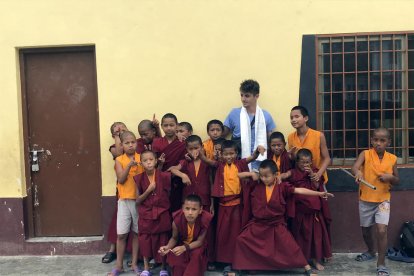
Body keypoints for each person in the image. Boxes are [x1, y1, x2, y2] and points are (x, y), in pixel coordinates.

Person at [234, 160, 333, 276]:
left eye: (267, 176)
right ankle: (240, 267)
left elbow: (299, 190)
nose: (264, 179)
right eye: (261, 176)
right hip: (258, 224)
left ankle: (306, 267)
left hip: (276, 224)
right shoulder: (257, 185)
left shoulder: (282, 187)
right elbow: (238, 175)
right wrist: (252, 174)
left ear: (276, 175)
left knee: (290, 246)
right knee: (241, 239)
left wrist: (319, 194)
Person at [201, 140, 265, 275]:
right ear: (222, 155)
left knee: (236, 234)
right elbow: (208, 161)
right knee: (224, 234)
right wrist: (200, 154)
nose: (229, 157)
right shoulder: (219, 165)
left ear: (236, 153)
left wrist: (257, 151)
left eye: (232, 153)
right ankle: (226, 262)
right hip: (223, 206)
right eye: (226, 154)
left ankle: (238, 261)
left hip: (237, 206)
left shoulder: (240, 163)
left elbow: (252, 158)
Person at [351, 127, 399, 276]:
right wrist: (358, 173)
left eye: (382, 140)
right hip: (365, 199)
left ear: (388, 142)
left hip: (383, 200)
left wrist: (390, 178)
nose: (378, 143)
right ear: (371, 140)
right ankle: (371, 251)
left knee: (381, 230)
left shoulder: (392, 158)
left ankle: (381, 264)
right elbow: (355, 167)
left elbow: (397, 180)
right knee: (366, 231)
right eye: (375, 140)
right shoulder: (365, 154)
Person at [287, 149, 332, 271]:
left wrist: (312, 173)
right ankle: (301, 260)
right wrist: (277, 177)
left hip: (314, 212)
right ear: (296, 162)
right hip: (300, 211)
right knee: (300, 236)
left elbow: (317, 186)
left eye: (307, 162)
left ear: (311, 162)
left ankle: (315, 260)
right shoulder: (293, 173)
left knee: (316, 237)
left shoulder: (315, 172)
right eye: (302, 162)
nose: (305, 165)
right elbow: (285, 176)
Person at [108, 131, 143, 276]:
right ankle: (119, 265)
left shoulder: (142, 158)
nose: (130, 145)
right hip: (124, 201)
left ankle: (134, 263)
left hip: (139, 201)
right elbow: (121, 179)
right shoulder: (119, 160)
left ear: (136, 143)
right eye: (127, 143)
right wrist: (129, 166)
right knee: (121, 235)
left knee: (136, 233)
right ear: (121, 145)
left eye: (133, 142)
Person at [223, 79, 276, 171]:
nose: (243, 99)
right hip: (238, 163)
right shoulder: (234, 113)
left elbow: (271, 141)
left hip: (259, 165)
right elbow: (222, 134)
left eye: (247, 96)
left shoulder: (265, 116)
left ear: (256, 96)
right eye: (241, 95)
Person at [134, 150, 172, 276]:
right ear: (141, 163)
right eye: (145, 160)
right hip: (146, 214)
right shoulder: (139, 179)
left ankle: (163, 268)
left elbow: (168, 194)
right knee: (145, 240)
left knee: (163, 239)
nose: (149, 162)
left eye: (151, 160)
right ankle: (146, 268)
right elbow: (138, 200)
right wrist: (148, 190)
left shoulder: (165, 176)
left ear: (156, 161)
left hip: (162, 213)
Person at [159, 195, 213, 276]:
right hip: (182, 245)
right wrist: (167, 247)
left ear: (200, 210)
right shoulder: (177, 220)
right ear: (183, 208)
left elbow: (200, 241)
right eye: (187, 209)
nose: (190, 213)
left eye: (194, 209)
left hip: (196, 247)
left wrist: (185, 248)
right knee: (177, 262)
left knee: (197, 255)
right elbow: (174, 238)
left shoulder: (204, 219)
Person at [103, 122, 128, 264]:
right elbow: (120, 152)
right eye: (117, 132)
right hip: (123, 188)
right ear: (113, 136)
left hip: (137, 185)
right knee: (118, 218)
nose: (121, 132)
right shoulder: (113, 148)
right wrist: (118, 136)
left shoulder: (135, 144)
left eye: (123, 129)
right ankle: (112, 249)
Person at [152, 113, 187, 212]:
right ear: (162, 126)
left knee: (176, 207)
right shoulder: (157, 142)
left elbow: (185, 159)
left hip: (177, 180)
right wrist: (158, 162)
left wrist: (178, 167)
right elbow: (152, 160)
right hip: (161, 179)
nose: (169, 128)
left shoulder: (182, 142)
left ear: (177, 125)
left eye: (172, 125)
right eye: (166, 125)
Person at [287, 106, 330, 184]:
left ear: (305, 118)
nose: (293, 120)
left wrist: (318, 174)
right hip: (300, 179)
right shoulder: (290, 137)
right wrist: (289, 155)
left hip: (317, 177)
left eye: (296, 117)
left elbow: (327, 159)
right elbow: (294, 160)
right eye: (291, 118)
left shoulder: (319, 135)